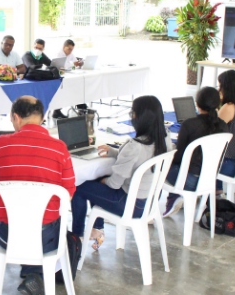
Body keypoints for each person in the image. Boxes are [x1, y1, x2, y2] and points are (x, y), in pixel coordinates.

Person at [0, 96, 75, 295]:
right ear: (42, 118)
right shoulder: (60, 148)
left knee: (13, 222)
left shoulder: (0, 144)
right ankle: (35, 274)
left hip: (8, 237)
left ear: (15, 118)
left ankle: (32, 274)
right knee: (50, 223)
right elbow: (68, 193)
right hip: (46, 239)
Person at [71, 96, 171, 250]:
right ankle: (97, 229)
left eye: (133, 113)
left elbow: (114, 184)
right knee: (97, 183)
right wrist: (114, 152)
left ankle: (76, 237)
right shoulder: (165, 138)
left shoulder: (134, 146)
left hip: (129, 204)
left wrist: (103, 181)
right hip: (149, 202)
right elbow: (141, 158)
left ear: (139, 118)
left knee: (80, 187)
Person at [162, 87, 229, 218]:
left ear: (197, 104)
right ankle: (176, 196)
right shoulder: (223, 125)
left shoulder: (189, 124)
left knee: (157, 165)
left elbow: (179, 157)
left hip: (190, 180)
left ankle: (171, 199)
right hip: (210, 178)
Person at [51, 39, 86, 119]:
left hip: (68, 75)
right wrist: (73, 64)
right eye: (69, 49)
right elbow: (61, 66)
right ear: (64, 47)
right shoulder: (59, 54)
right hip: (58, 77)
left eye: (72, 49)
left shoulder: (70, 54)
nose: (70, 51)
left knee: (78, 85)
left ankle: (81, 105)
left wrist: (79, 63)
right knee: (68, 89)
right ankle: (57, 110)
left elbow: (74, 62)